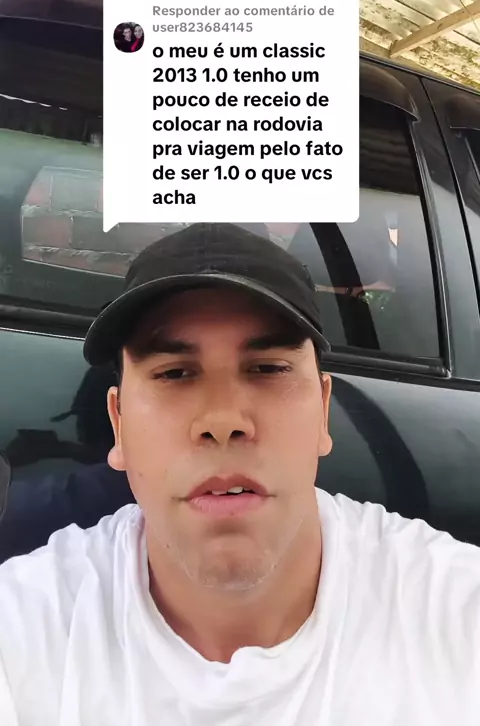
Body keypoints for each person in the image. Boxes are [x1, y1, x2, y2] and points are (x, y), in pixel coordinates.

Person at [0, 222, 479, 726]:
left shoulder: (454, 612)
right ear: (119, 425)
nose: (223, 420)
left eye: (267, 369)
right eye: (174, 373)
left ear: (323, 412)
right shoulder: (26, 626)